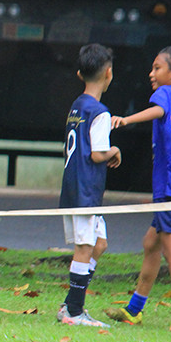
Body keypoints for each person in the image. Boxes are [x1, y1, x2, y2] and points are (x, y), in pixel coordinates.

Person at [106, 45, 171, 330]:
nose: (151, 73)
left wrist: (126, 119)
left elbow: (158, 111)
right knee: (150, 244)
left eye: (157, 68)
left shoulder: (165, 94)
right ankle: (134, 310)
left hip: (169, 187)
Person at [57, 44, 121, 327]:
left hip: (75, 187)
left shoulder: (76, 106)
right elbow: (97, 153)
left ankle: (71, 303)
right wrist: (115, 151)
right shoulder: (100, 112)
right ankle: (73, 312)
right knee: (85, 246)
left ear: (80, 73)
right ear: (109, 73)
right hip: (86, 190)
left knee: (100, 243)